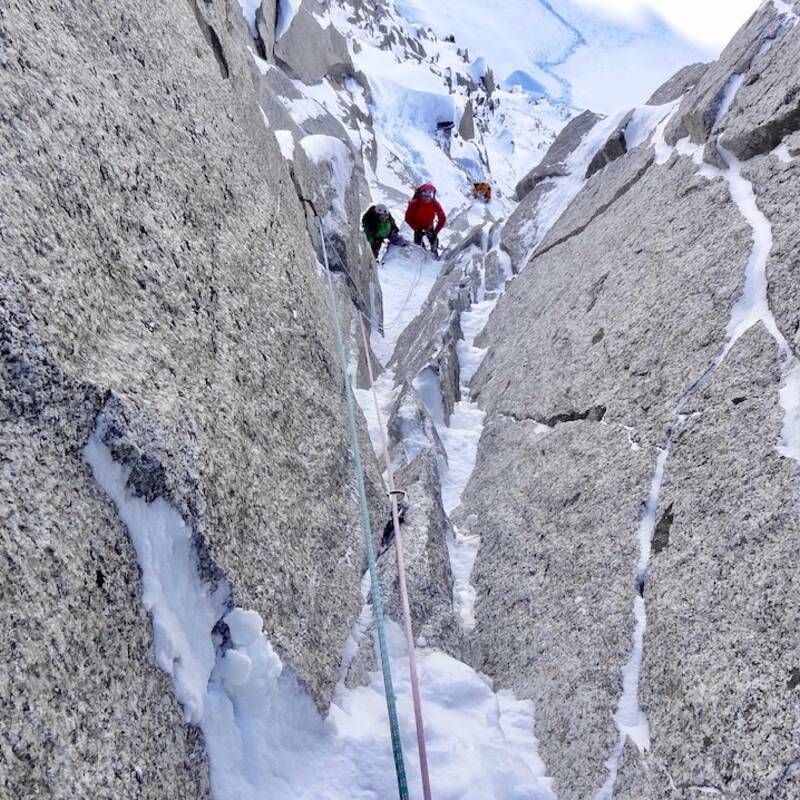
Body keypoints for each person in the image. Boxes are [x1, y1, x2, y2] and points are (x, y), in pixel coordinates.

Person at [404, 183, 446, 257]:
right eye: (424, 195)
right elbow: (408, 218)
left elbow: (442, 218)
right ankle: (423, 258)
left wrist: (435, 232)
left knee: (434, 243)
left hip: (428, 227)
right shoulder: (414, 203)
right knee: (418, 246)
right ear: (421, 194)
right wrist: (416, 228)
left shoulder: (435, 204)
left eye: (429, 196)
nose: (427, 198)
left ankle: (434, 257)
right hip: (418, 227)